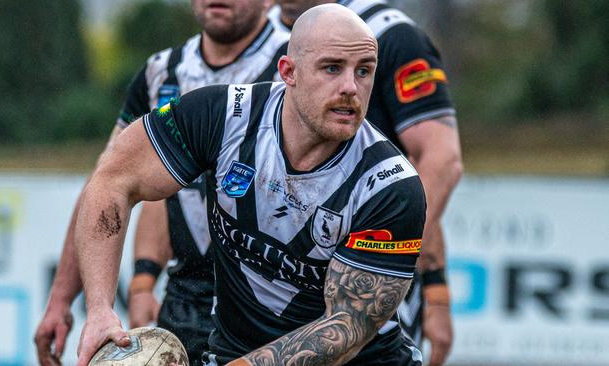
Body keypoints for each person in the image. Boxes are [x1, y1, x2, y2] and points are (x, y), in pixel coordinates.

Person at [75, 4, 426, 366]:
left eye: (364, 71)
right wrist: (100, 309)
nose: (351, 87)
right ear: (288, 72)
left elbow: (346, 329)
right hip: (231, 352)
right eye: (332, 68)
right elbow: (113, 179)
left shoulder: (390, 186)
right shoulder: (221, 115)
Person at [33, 0, 288, 364]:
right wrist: (61, 301)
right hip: (187, 298)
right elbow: (110, 181)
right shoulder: (161, 71)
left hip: (270, 303)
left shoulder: (299, 66)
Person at [269, 1, 463, 365]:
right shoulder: (253, 33)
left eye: (361, 72)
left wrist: (435, 288)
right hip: (262, 272)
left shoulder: (390, 34)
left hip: (359, 276)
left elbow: (440, 162)